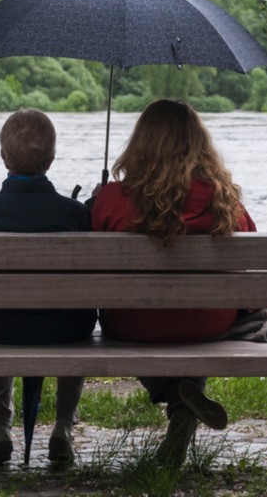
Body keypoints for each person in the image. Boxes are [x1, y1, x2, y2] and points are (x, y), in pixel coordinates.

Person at [90, 98, 257, 468]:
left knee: (153, 322)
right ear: (199, 145)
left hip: (132, 324)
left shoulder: (115, 198)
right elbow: (247, 261)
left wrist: (99, 200)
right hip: (208, 321)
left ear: (140, 144)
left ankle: (174, 395)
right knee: (190, 319)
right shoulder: (223, 200)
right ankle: (184, 398)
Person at [0, 108, 97, 467]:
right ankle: (63, 427)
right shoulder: (75, 215)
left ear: (4, 156)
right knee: (78, 315)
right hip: (64, 329)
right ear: (51, 160)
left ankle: (0, 429)